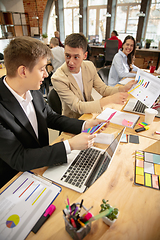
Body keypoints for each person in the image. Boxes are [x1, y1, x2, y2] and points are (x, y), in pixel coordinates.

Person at [0, 36, 108, 188]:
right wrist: (69, 145)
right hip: (16, 180)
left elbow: (50, 117)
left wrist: (85, 124)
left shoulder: (31, 88)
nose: (45, 74)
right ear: (23, 71)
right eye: (42, 68)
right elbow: (19, 158)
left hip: (44, 166)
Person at [51, 33, 136, 119]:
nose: (71, 62)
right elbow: (78, 107)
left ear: (85, 56)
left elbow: (103, 89)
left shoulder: (89, 66)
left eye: (76, 57)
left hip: (90, 114)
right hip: (74, 120)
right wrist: (110, 100)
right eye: (67, 56)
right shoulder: (58, 78)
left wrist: (123, 89)